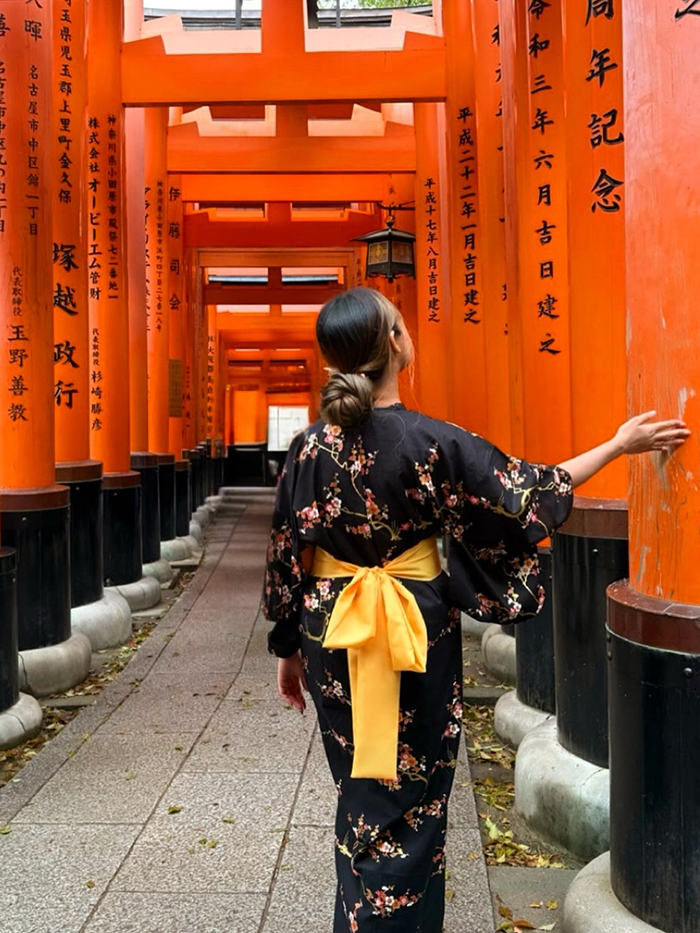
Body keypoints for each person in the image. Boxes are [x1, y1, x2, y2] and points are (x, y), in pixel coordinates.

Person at [261, 287, 689, 933]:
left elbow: (284, 553)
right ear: (398, 343)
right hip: (411, 621)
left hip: (333, 628)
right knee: (415, 794)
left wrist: (288, 646)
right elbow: (526, 495)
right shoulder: (435, 440)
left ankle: (359, 915)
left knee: (361, 785)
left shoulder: (306, 450)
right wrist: (617, 444)